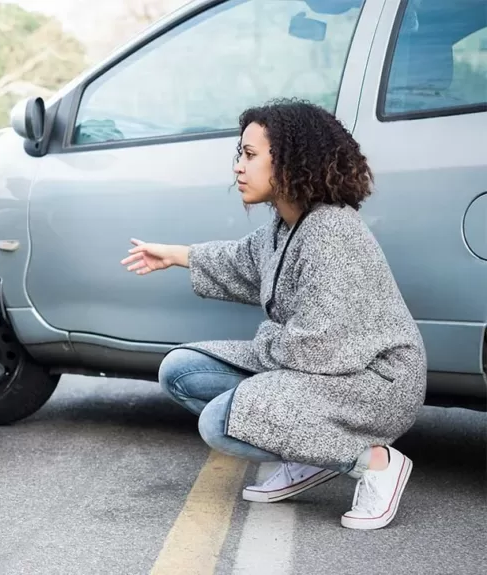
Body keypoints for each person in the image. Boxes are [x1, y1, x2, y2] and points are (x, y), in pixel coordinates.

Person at [121, 99, 426, 531]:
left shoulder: (331, 233)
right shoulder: (286, 225)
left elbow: (320, 346)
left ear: (290, 162)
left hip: (374, 382)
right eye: (239, 155)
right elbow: (240, 261)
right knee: (182, 371)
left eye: (249, 155)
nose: (238, 168)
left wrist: (263, 342)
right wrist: (174, 255)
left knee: (220, 422)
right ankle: (311, 454)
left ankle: (375, 462)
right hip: (324, 370)